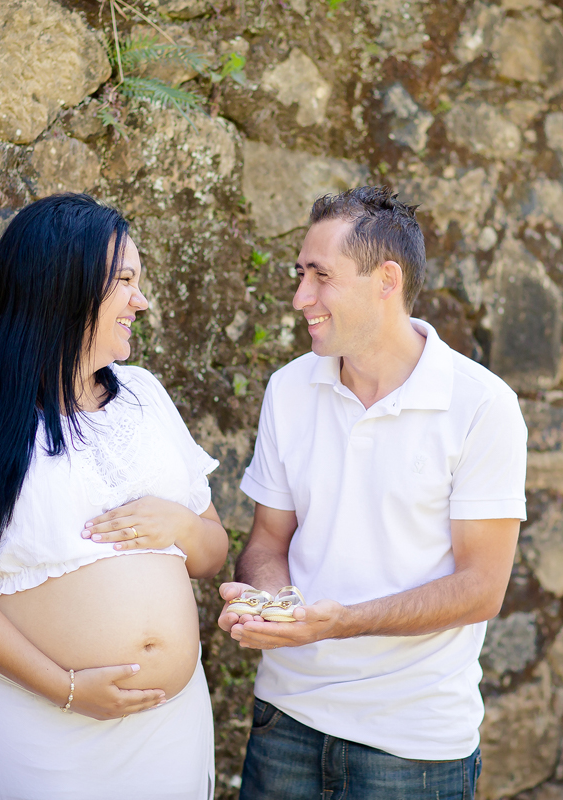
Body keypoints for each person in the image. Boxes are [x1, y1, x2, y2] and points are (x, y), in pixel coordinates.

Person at [0, 193, 228, 800]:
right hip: (39, 734)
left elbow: (211, 553)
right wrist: (67, 688)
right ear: (63, 285)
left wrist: (179, 524)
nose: (141, 300)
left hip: (164, 734)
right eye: (124, 280)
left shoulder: (147, 397)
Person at [218, 187, 527, 799]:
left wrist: (340, 624)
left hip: (412, 745)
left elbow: (481, 588)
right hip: (285, 720)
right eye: (300, 274)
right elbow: (268, 541)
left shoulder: (482, 405)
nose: (301, 297)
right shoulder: (289, 388)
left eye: (321, 276)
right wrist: (275, 605)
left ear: (386, 279)